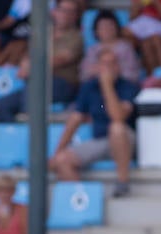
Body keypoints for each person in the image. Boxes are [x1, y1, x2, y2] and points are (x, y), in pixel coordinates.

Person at [49, 50, 137, 198]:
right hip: (100, 141)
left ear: (119, 66)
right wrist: (58, 152)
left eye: (112, 63)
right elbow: (75, 119)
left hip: (126, 141)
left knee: (116, 128)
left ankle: (123, 181)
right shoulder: (89, 87)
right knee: (62, 160)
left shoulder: (128, 87)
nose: (108, 68)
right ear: (97, 66)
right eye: (104, 64)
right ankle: (83, 199)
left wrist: (107, 86)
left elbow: (118, 116)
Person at [0, 0, 83, 122]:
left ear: (75, 16)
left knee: (32, 92)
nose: (65, 14)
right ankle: (18, 134)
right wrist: (25, 65)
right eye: (62, 10)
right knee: (2, 105)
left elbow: (60, 60)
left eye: (70, 11)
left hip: (63, 84)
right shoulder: (43, 34)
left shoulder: (76, 37)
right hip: (37, 82)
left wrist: (32, 67)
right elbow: (28, 56)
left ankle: (31, 134)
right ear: (54, 12)